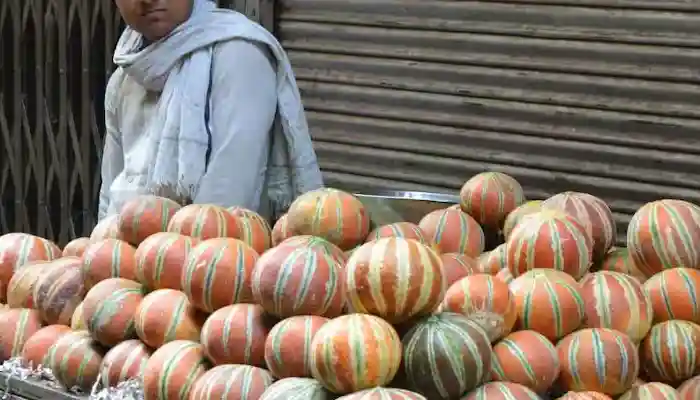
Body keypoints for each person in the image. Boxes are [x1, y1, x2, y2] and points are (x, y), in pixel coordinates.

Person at [99, 0, 323, 221]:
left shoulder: (239, 55)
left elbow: (227, 195)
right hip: (126, 240)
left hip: (207, 240)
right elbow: (109, 193)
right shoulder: (124, 78)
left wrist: (165, 244)